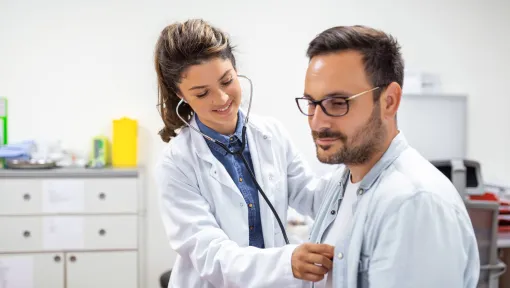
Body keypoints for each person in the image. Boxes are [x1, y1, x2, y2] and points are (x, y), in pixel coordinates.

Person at [294, 25, 480, 288]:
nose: (318, 122)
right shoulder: (343, 180)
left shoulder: (414, 204)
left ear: (389, 101)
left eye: (338, 103)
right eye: (312, 103)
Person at [154, 19, 334, 288]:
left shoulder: (271, 134)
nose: (222, 99)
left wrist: (355, 163)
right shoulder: (175, 163)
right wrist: (286, 263)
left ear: (236, 69)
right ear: (180, 94)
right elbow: (211, 255)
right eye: (202, 93)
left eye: (227, 81)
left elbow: (310, 194)